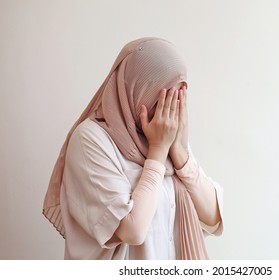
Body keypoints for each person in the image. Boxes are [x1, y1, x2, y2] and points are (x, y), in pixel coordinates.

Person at [42, 37, 223, 260]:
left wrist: (181, 156)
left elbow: (213, 217)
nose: (171, 109)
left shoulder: (167, 136)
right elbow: (133, 230)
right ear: (138, 89)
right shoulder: (90, 139)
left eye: (179, 98)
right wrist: (158, 151)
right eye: (164, 97)